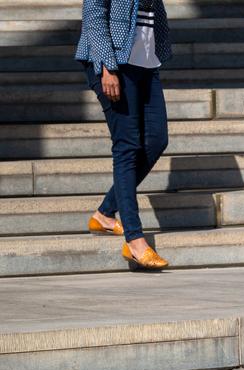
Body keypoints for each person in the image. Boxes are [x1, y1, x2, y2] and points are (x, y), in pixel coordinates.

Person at [76, 0, 172, 271]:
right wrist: (106, 66)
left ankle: (105, 213)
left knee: (156, 140)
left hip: (146, 61)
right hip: (113, 63)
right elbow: (94, 14)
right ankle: (135, 239)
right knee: (127, 145)